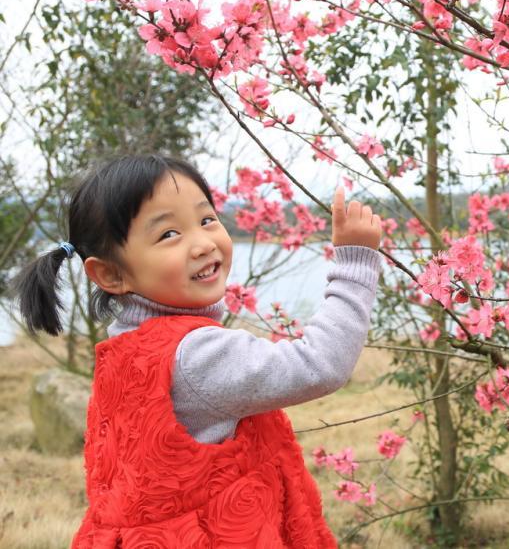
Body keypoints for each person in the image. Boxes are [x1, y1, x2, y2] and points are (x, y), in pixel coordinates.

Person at [12, 154, 383, 547]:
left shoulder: (125, 345)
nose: (203, 243)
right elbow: (320, 364)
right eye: (169, 234)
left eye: (207, 220)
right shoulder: (196, 354)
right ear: (110, 274)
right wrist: (355, 264)